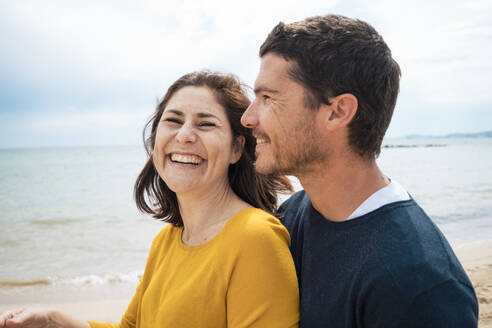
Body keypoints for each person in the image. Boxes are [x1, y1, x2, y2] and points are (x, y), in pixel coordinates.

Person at [0, 71, 299, 327]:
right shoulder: (167, 241)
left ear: (236, 149)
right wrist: (55, 319)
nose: (184, 136)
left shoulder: (256, 237)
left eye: (206, 124)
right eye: (173, 120)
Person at [241, 14, 478, 327]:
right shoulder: (292, 216)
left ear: (338, 112)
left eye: (268, 98)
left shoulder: (421, 285)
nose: (248, 118)